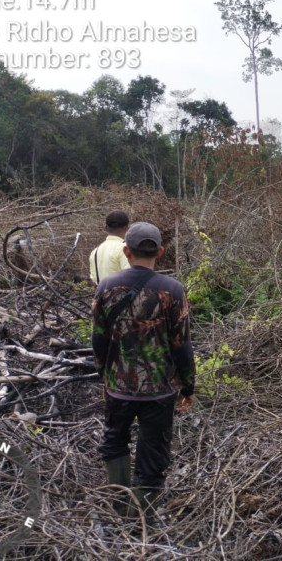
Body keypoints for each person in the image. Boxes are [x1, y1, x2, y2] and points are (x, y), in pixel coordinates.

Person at [92, 222, 196, 521]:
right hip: (159, 391)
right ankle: (142, 517)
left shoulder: (106, 287)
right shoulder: (173, 290)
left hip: (118, 387)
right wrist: (188, 387)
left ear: (126, 251)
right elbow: (182, 347)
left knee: (115, 439)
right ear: (161, 252)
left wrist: (104, 376)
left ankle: (119, 506)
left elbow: (98, 340)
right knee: (153, 451)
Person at [89, 210, 131, 284]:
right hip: (122, 294)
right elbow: (130, 277)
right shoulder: (125, 249)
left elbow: (94, 278)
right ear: (127, 227)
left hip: (100, 294)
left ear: (105, 228)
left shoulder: (95, 251)